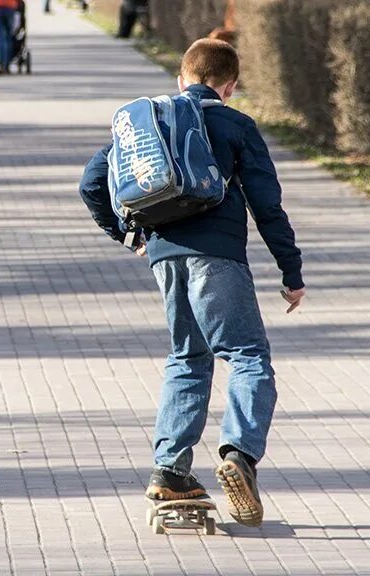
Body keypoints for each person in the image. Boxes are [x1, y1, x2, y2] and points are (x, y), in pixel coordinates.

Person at [78, 39, 306, 527]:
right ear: (230, 86)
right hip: (218, 257)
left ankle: (170, 472)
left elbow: (91, 182)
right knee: (247, 356)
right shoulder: (237, 124)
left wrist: (127, 236)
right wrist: (292, 272)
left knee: (188, 357)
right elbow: (267, 206)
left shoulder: (151, 123)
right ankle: (239, 455)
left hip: (164, 259)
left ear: (182, 79)